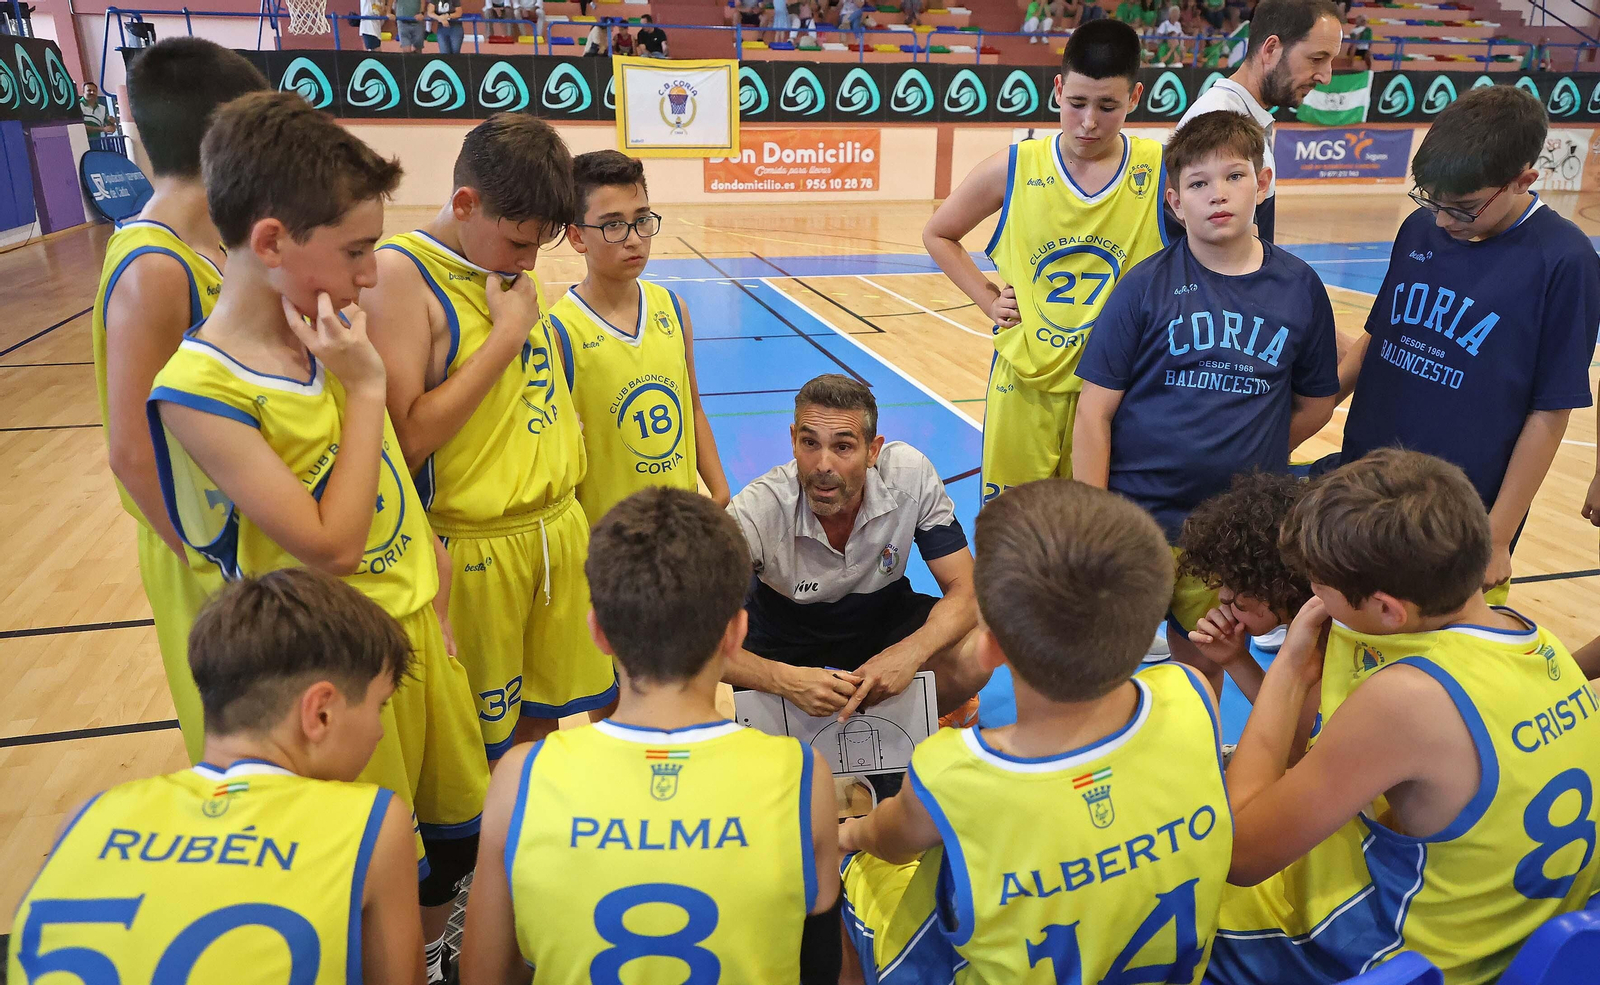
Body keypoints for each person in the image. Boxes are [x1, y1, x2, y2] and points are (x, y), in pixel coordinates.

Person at [147, 92, 490, 984]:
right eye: (355, 250)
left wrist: (438, 588)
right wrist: (369, 389)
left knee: (449, 854)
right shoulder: (203, 389)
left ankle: (435, 954)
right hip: (328, 684)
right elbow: (333, 545)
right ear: (269, 243)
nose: (371, 274)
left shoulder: (328, 335)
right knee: (360, 871)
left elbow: (394, 504)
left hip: (416, 641)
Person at [1206, 450, 1600, 985]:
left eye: (1317, 587)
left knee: (1172, 914)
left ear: (1389, 610)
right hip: (1520, 942)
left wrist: (1290, 668)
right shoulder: (1535, 639)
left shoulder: (1409, 699)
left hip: (1404, 963)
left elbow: (1240, 854)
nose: (1310, 598)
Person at [837, 479, 1234, 984]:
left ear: (989, 648)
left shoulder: (950, 770)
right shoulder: (1193, 691)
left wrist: (848, 833)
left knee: (849, 870)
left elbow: (888, 841)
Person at [459, 488, 840, 985]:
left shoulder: (518, 779)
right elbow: (820, 970)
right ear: (736, 633)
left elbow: (484, 976)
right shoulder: (803, 778)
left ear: (598, 633)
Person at [5, 569, 426, 985]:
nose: (379, 730)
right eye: (380, 707)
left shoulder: (85, 816)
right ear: (320, 713)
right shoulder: (372, 823)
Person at [366, 115, 616, 760]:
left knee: (544, 731)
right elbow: (405, 437)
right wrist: (507, 339)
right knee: (484, 745)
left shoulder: (505, 269)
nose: (528, 262)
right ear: (465, 204)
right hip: (476, 549)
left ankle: (531, 846)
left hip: (557, 531)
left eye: (538, 247)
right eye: (516, 242)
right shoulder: (400, 276)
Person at [1074, 111, 1338, 695]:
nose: (1217, 194)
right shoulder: (1144, 286)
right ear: (1175, 201)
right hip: (1139, 520)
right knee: (1104, 665)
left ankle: (1194, 758)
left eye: (1234, 176)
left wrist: (1256, 447)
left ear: (1262, 183)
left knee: (1206, 660)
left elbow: (1317, 402)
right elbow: (1094, 412)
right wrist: (1095, 525)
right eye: (1198, 183)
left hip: (1233, 529)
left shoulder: (1299, 287)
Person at [1337, 85, 1600, 603]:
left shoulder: (1565, 261)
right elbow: (1378, 339)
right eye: (1430, 199)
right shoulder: (1418, 229)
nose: (1440, 219)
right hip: (1362, 482)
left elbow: (1550, 412)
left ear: (1524, 179)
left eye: (1462, 208)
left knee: (1428, 665)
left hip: (1459, 516)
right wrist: (1312, 412)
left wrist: (1497, 536)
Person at [93, 38, 267, 766]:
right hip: (200, 544)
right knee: (239, 742)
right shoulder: (156, 267)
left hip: (244, 527)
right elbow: (133, 451)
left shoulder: (212, 248)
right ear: (227, 136)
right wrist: (213, 568)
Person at [925, 19, 1167, 505]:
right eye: (1076, 103)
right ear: (1058, 89)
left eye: (1108, 106)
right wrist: (987, 300)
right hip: (1026, 384)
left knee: (1096, 539)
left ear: (1135, 97)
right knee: (1015, 537)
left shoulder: (1163, 169)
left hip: (1119, 393)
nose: (1089, 122)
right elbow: (938, 232)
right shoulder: (1012, 167)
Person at [724, 374, 988, 722]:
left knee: (979, 644)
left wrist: (910, 653)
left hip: (880, 621)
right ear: (792, 440)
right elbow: (698, 641)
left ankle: (911, 721)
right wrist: (785, 681)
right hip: (782, 639)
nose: (823, 465)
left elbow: (967, 590)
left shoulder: (909, 475)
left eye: (843, 447)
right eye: (809, 443)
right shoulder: (756, 512)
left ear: (872, 451)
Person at [547, 150, 731, 525]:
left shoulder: (674, 309)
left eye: (641, 220)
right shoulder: (558, 331)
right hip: (608, 540)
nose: (634, 239)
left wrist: (719, 489)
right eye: (613, 225)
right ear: (577, 236)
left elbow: (691, 407)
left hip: (679, 527)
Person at [1169, 0, 1343, 243]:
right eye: (1317, 58)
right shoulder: (1218, 117)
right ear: (1271, 49)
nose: (1326, 77)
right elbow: (1231, 261)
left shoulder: (1244, 114)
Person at [1177, 470, 1315, 703]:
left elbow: (1295, 735)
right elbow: (1287, 720)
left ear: (1282, 584)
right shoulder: (1308, 625)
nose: (1224, 596)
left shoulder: (1326, 641)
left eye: (1237, 584)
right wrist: (1235, 659)